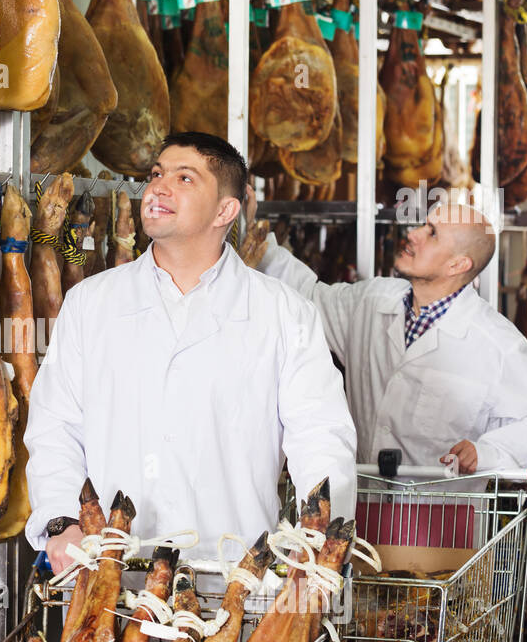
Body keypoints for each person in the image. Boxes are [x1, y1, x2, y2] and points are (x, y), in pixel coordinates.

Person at [24, 132, 358, 574]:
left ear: (226, 210)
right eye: (157, 174)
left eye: (185, 178)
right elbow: (55, 428)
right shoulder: (90, 303)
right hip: (108, 575)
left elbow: (320, 438)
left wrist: (318, 542)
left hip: (232, 578)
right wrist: (63, 521)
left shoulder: (284, 313)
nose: (159, 187)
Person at [253, 198, 527, 473]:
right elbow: (308, 295)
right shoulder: (373, 301)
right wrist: (253, 233)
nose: (413, 234)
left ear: (458, 264)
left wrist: (486, 452)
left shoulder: (496, 343)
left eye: (431, 233)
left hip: (440, 517)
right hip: (367, 501)